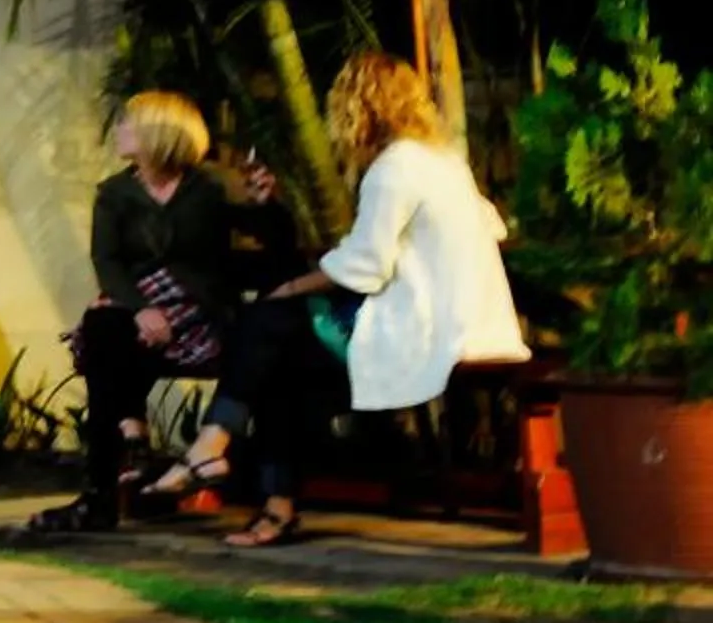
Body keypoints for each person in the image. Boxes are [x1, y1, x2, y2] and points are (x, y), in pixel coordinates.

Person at [146, 53, 526, 547]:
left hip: (427, 329)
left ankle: (219, 449)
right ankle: (257, 489)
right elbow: (492, 223)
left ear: (358, 108)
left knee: (267, 323)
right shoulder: (444, 161)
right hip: (469, 319)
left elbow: (366, 266)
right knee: (277, 354)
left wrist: (294, 286)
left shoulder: (393, 168)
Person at [27, 92, 284, 534]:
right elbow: (106, 262)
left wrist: (266, 204)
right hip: (143, 316)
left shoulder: (209, 188)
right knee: (104, 329)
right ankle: (108, 483)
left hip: (203, 319)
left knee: (107, 344)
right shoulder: (114, 193)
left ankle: (113, 474)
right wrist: (142, 310)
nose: (119, 130)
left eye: (128, 123)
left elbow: (271, 240)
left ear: (157, 133)